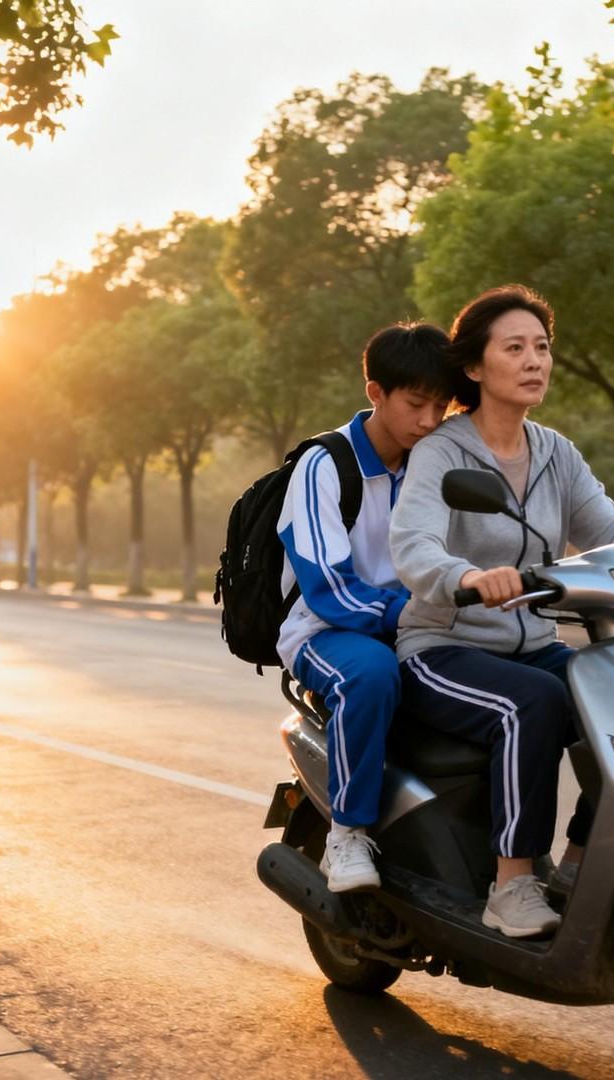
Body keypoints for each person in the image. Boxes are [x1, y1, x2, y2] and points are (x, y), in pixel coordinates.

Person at [389, 285, 614, 937]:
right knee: (533, 703)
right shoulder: (443, 452)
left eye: (541, 347)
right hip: (443, 648)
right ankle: (512, 885)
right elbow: (414, 542)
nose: (533, 360)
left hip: (529, 641)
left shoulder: (554, 452)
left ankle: (575, 863)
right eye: (513, 348)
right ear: (474, 367)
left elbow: (608, 525)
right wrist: (465, 576)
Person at [277, 322, 452, 892]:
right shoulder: (324, 465)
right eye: (416, 403)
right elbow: (327, 584)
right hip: (325, 631)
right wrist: (405, 612)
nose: (429, 421)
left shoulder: (438, 464)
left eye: (441, 406)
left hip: (415, 624)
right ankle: (346, 835)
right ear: (376, 392)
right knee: (370, 675)